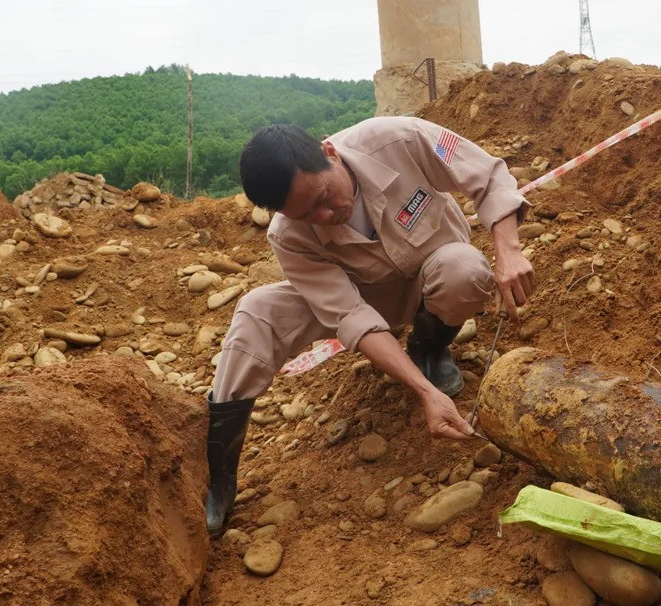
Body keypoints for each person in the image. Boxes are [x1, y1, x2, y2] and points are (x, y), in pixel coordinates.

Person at [204, 117, 535, 537]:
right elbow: (353, 319)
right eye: (308, 214)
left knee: (465, 269)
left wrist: (507, 252)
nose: (327, 215)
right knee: (257, 309)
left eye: (324, 196)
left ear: (329, 152)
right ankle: (217, 476)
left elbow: (488, 175)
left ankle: (430, 347)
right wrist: (424, 393)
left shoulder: (399, 139)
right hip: (366, 297)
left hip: (430, 276)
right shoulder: (288, 235)